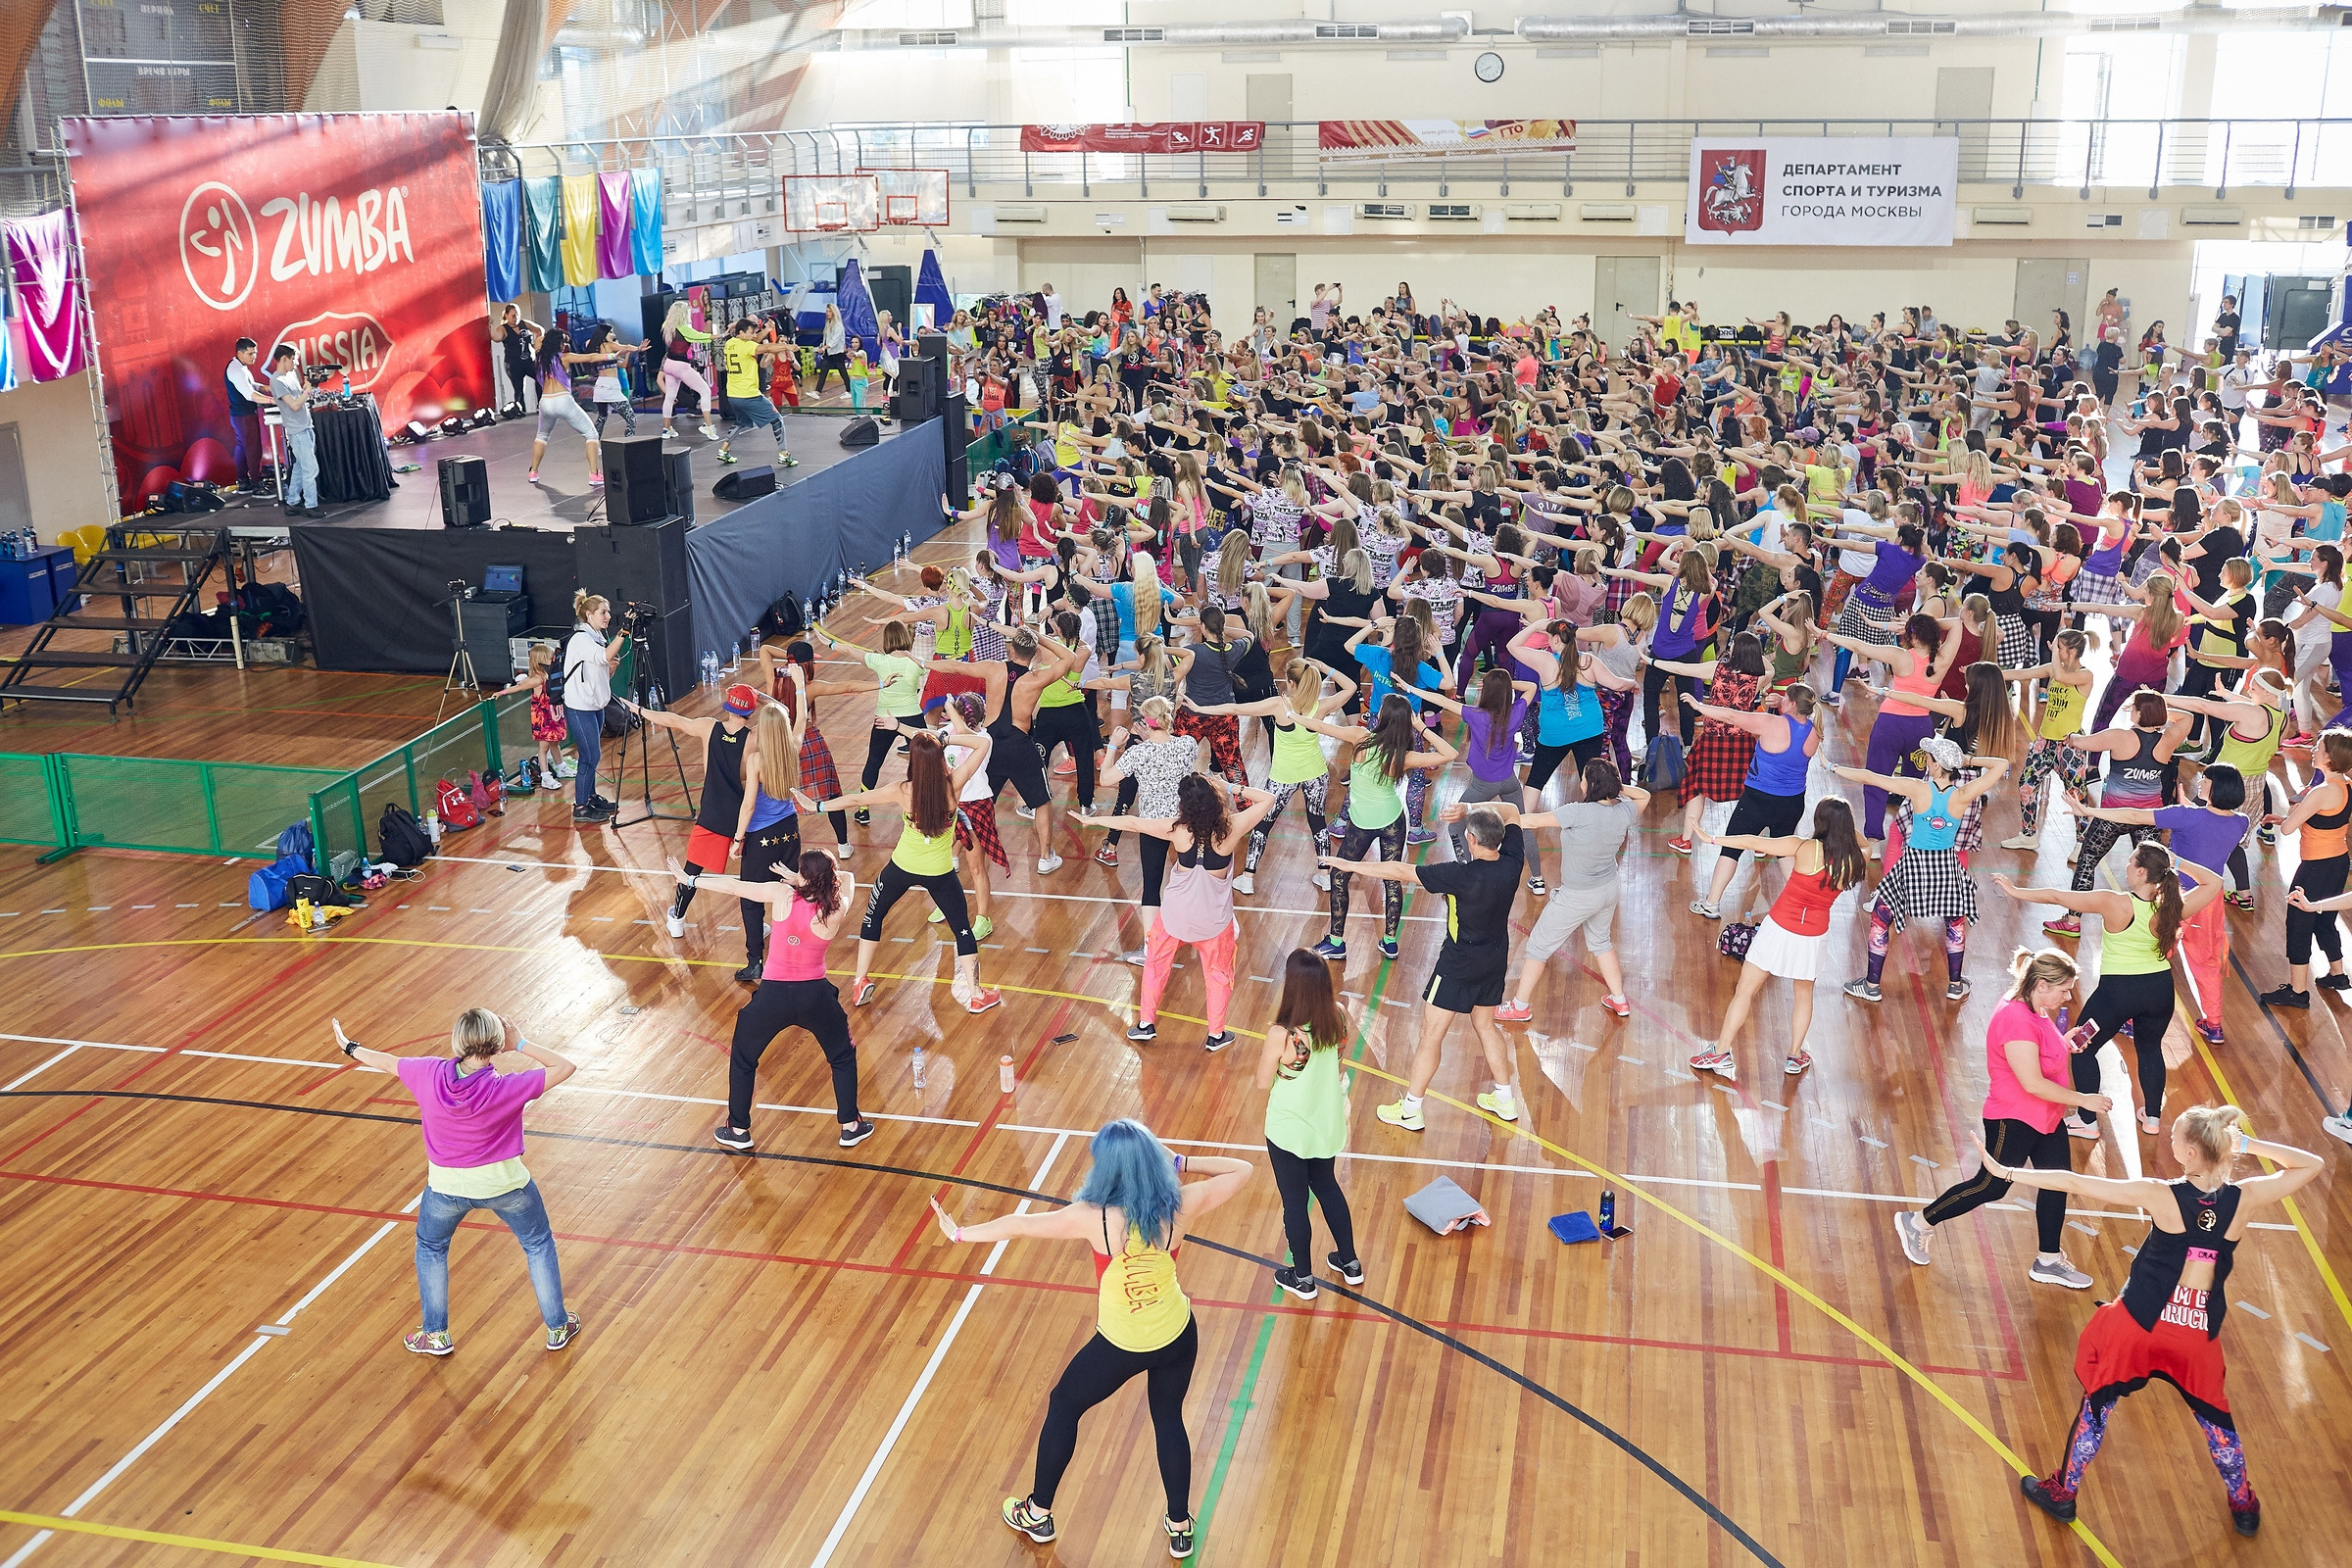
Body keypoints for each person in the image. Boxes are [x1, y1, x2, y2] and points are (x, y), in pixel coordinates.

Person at [1995, 1106, 2324, 1538]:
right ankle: (2243, 1504)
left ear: (2189, 1153)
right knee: (2217, 1425)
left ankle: (2063, 1494)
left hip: (2138, 1327)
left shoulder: (2160, 1193)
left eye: (2174, 1138)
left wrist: (2006, 1171)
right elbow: (2312, 1163)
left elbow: (2075, 1182)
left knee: (2095, 1411)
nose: (2168, 1142)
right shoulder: (2245, 1198)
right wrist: (2247, 1144)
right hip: (2195, 1336)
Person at [931, 1120, 1252, 1559]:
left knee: (1064, 1405)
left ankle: (1037, 1512)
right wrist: (1183, 1161)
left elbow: (1020, 1226)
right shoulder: (1180, 1205)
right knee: (1167, 1418)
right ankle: (1179, 1524)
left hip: (1121, 1344)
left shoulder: (1093, 1217)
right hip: (1178, 1333)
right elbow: (1242, 1170)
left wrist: (961, 1233)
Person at [331, 1010, 581, 1355]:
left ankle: (435, 1335)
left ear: (457, 1040)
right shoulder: (507, 1087)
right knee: (537, 1245)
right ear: (497, 1045)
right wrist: (520, 1042)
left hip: (445, 1190)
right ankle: (557, 1327)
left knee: (431, 1249)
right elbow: (564, 1067)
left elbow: (387, 1062)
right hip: (506, 1188)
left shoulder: (427, 1073)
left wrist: (350, 1047)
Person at [1889, 948, 2107, 1289]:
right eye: (2064, 989)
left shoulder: (2035, 1007)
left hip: (2045, 1117)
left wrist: (2063, 1044)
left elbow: (2039, 1052)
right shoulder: (2015, 1018)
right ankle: (1918, 1222)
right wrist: (2084, 1100)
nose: (2069, 996)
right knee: (1990, 1185)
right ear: (2042, 985)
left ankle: (2048, 1259)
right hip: (2014, 1118)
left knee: (2057, 1183)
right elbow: (2032, 1083)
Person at [1995, 842, 2221, 1136]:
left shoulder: (2113, 902)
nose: (2126, 867)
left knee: (2081, 1047)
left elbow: (2056, 896)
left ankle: (2087, 1121)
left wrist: (2015, 891)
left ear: (2140, 872)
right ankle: (2152, 1118)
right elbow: (2215, 882)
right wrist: (2176, 862)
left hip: (2117, 993)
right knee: (2150, 1048)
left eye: (2130, 863)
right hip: (2160, 989)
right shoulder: (2173, 906)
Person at [1334, 804, 1526, 1130]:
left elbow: (1399, 872)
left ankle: (1411, 1109)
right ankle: (1505, 1100)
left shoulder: (1459, 875)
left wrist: (1350, 864)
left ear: (1472, 840)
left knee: (1430, 1034)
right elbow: (1510, 810)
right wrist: (1471, 808)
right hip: (1494, 960)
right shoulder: (1512, 861)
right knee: (1485, 1025)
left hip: (1457, 964)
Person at [676, 849, 872, 1151]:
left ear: (804, 877)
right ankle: (850, 1126)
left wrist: (690, 879)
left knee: (743, 1058)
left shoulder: (782, 895)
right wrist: (809, 880)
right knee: (842, 1057)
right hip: (816, 996)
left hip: (772, 996)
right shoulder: (834, 909)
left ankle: (739, 1130)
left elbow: (734, 886)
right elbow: (848, 879)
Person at [799, 731, 1002, 1014]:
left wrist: (818, 805)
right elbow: (984, 742)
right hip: (940, 873)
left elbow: (856, 801)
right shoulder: (955, 784)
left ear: (913, 763)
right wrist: (945, 739)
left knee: (874, 914)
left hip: (902, 867)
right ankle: (977, 995)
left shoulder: (902, 790)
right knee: (962, 929)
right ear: (940, 759)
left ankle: (859, 982)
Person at [1087, 772, 1274, 1052]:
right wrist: (1229, 786)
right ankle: (1216, 1034)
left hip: (1174, 919)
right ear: (1214, 799)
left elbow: (1133, 822)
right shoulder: (1233, 828)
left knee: (1155, 965)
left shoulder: (1178, 830)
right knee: (1218, 977)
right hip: (1213, 923)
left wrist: (1093, 820)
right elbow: (1268, 798)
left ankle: (1145, 1025)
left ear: (1184, 803)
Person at [1687, 797, 1867, 1081]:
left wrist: (1711, 838)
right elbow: (1866, 844)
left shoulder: (1803, 846)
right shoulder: (1856, 858)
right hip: (1813, 935)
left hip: (1779, 928)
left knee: (1745, 991)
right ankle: (1795, 1056)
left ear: (1819, 821)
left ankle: (1721, 1052)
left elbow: (1751, 842)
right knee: (1803, 995)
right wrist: (1847, 827)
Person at [1836, 736, 2010, 1003]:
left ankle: (1871, 985)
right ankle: (1954, 984)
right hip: (1947, 866)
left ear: (1937, 766)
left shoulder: (1918, 789)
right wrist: (1968, 761)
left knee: (1882, 917)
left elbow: (1870, 777)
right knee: (1955, 921)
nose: (1925, 761)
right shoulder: (1963, 794)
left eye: (1929, 758)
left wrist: (1833, 767)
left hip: (1913, 864)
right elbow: (2001, 764)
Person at [1304, 693, 1458, 961]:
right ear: (1405, 722)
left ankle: (1336, 942)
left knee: (1339, 877)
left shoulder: (1360, 737)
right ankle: (1389, 942)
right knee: (1392, 879)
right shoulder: (1404, 754)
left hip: (1361, 824)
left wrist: (1291, 714)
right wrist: (1420, 725)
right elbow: (1450, 753)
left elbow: (1319, 726)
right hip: (1392, 822)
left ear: (1383, 716)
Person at [1494, 761, 1648, 1023]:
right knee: (1601, 942)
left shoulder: (1576, 812)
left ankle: (1520, 1006)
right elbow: (1645, 795)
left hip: (1577, 896)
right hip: (1608, 889)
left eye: (1585, 778)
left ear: (1588, 785)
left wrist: (1488, 813)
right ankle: (1619, 1000)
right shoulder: (1625, 810)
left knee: (1537, 947)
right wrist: (1616, 788)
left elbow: (1531, 820)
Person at [1256, 949, 1363, 1300]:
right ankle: (1349, 1262)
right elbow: (1340, 1057)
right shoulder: (1340, 1016)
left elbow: (1261, 1082)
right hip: (1326, 1121)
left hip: (1288, 1130)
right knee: (1327, 1186)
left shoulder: (1283, 1034)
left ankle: (1302, 1277)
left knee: (1294, 1201)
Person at [630, 680, 757, 951]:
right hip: (743, 812)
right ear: (750, 711)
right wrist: (766, 700)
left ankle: (677, 916)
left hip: (712, 809)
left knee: (692, 869)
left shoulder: (709, 726)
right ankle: (757, 926)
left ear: (728, 706)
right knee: (753, 873)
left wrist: (640, 711)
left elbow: (672, 719)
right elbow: (786, 723)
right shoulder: (755, 737)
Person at [2261, 727, 2352, 1007]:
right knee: (2325, 919)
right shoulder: (2346, 784)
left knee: (2299, 922)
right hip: (2338, 862)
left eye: (2319, 749)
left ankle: (2298, 991)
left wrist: (2288, 817)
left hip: (2315, 867)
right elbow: (2324, 821)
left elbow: (2289, 828)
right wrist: (2292, 817)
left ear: (2330, 758)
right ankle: (2338, 975)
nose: (2314, 750)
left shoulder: (2321, 791)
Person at [561, 592, 630, 821]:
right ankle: (581, 807)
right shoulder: (581, 639)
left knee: (591, 755)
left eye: (608, 611)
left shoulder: (596, 636)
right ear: (589, 615)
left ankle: (590, 797)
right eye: (603, 612)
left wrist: (610, 671)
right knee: (590, 755)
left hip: (595, 705)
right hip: (580, 708)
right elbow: (604, 656)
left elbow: (598, 672)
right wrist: (625, 632)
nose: (608, 616)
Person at [524, 325, 607, 488]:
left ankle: (533, 472)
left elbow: (540, 338)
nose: (564, 345)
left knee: (541, 436)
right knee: (591, 434)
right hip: (563, 400)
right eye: (562, 342)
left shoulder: (540, 357)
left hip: (546, 401)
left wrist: (551, 336)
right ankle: (594, 474)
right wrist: (612, 355)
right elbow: (589, 358)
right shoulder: (565, 357)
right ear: (558, 344)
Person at [715, 318, 799, 470]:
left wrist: (766, 330)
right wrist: (786, 346)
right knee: (777, 419)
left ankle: (723, 450)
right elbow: (765, 349)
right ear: (741, 332)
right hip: (749, 395)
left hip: (733, 395)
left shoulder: (730, 343)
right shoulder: (747, 347)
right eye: (751, 332)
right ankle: (784, 454)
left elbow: (755, 341)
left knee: (742, 422)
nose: (754, 335)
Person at [492, 643, 568, 791]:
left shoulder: (550, 675)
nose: (553, 659)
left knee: (555, 743)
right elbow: (519, 687)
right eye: (550, 657)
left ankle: (561, 767)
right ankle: (545, 776)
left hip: (554, 715)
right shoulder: (537, 680)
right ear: (541, 660)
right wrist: (502, 693)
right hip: (544, 718)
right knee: (544, 747)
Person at [266, 344, 323, 518]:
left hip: (306, 427)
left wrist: (308, 385)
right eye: (294, 359)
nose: (296, 363)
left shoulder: (290, 375)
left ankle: (292, 502)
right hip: (297, 431)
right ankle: (311, 505)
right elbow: (295, 404)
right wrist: (308, 389)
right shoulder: (277, 381)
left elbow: (300, 397)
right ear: (284, 359)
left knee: (300, 467)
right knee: (310, 469)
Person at [657, 300, 721, 439]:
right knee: (705, 391)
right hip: (681, 366)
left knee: (669, 397)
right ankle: (709, 427)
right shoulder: (684, 329)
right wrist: (720, 335)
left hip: (669, 364)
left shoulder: (667, 326)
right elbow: (700, 337)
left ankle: (666, 429)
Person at [222, 337, 266, 493]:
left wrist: (265, 388)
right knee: (253, 449)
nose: (254, 356)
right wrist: (271, 400)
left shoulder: (238, 366)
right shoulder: (237, 369)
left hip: (240, 415)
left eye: (255, 353)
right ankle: (256, 485)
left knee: (243, 447)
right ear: (239, 353)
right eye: (250, 353)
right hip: (244, 415)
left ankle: (244, 481)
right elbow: (249, 394)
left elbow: (250, 385)